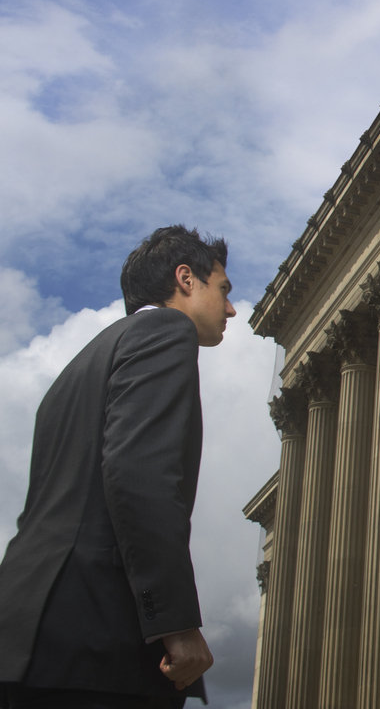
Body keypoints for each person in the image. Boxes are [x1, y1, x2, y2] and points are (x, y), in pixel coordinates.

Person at [0, 225, 234, 708]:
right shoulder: (167, 331)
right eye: (224, 290)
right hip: (97, 642)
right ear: (186, 279)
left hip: (25, 634)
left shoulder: (75, 371)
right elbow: (139, 477)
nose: (231, 309)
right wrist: (175, 623)